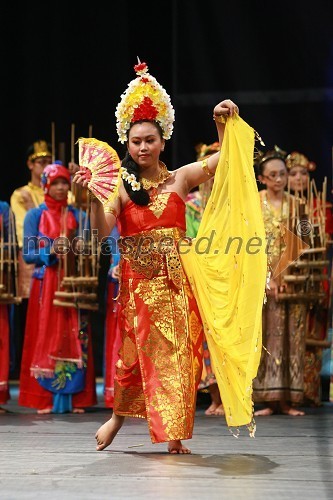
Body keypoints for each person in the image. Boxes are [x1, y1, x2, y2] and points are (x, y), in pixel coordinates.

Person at [73, 60, 266, 453]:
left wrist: (222, 124)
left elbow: (230, 160)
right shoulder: (122, 191)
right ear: (127, 145)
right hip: (138, 289)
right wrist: (87, 196)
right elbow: (98, 232)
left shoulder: (181, 177)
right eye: (136, 142)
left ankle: (174, 437)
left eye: (149, 140)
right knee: (132, 360)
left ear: (162, 141)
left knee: (181, 360)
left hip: (178, 285)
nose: (142, 147)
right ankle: (118, 417)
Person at [18, 163, 97, 413]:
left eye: (65, 182)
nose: (62, 188)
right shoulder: (35, 215)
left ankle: (76, 398)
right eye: (56, 183)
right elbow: (28, 255)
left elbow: (91, 248)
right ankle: (43, 396)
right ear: (46, 186)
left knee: (76, 334)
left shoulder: (78, 215)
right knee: (45, 336)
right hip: (45, 286)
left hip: (73, 284)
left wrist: (78, 248)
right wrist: (49, 251)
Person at [253, 146, 307, 416]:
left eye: (282, 174)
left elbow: (305, 241)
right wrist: (266, 277)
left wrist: (286, 275)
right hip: (260, 281)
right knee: (264, 336)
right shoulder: (253, 202)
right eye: (272, 175)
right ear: (262, 178)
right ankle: (266, 398)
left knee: (289, 337)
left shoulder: (298, 204)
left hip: (290, 280)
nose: (278, 179)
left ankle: (286, 400)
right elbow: (249, 242)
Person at [286, 151, 332, 405]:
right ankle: (288, 392)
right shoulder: (282, 205)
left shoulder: (321, 207)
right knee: (291, 332)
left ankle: (310, 391)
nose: (299, 178)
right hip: (289, 274)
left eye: (303, 174)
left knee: (314, 330)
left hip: (316, 274)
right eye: (293, 174)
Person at [185, 142, 224, 416]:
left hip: (225, 274)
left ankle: (230, 397)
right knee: (205, 337)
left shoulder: (229, 201)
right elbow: (184, 238)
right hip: (198, 273)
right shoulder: (191, 204)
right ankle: (213, 397)